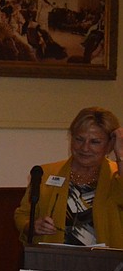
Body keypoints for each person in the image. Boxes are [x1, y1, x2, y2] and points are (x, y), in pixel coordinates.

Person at [14, 106, 123, 248]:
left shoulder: (116, 176)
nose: (85, 148)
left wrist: (121, 153)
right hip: (53, 261)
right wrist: (32, 226)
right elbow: (22, 215)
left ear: (109, 145)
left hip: (105, 265)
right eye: (79, 139)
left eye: (95, 142)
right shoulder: (46, 173)